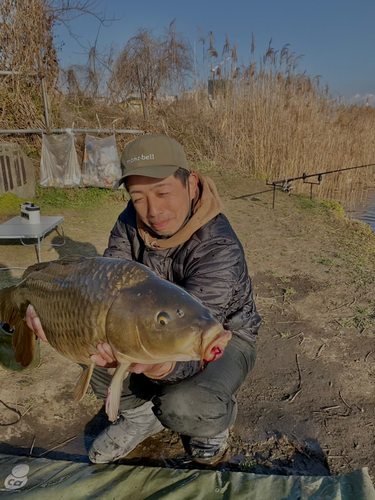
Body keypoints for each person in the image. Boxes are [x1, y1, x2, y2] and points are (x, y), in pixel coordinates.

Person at [26, 134, 261, 465]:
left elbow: (193, 349)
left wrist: (158, 365)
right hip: (154, 322)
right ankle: (140, 417)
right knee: (93, 342)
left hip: (220, 333)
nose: (153, 210)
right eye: (138, 198)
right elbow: (106, 292)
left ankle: (212, 424)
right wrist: (65, 322)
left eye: (163, 192)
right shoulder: (128, 223)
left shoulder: (219, 248)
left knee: (183, 402)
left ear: (191, 184)